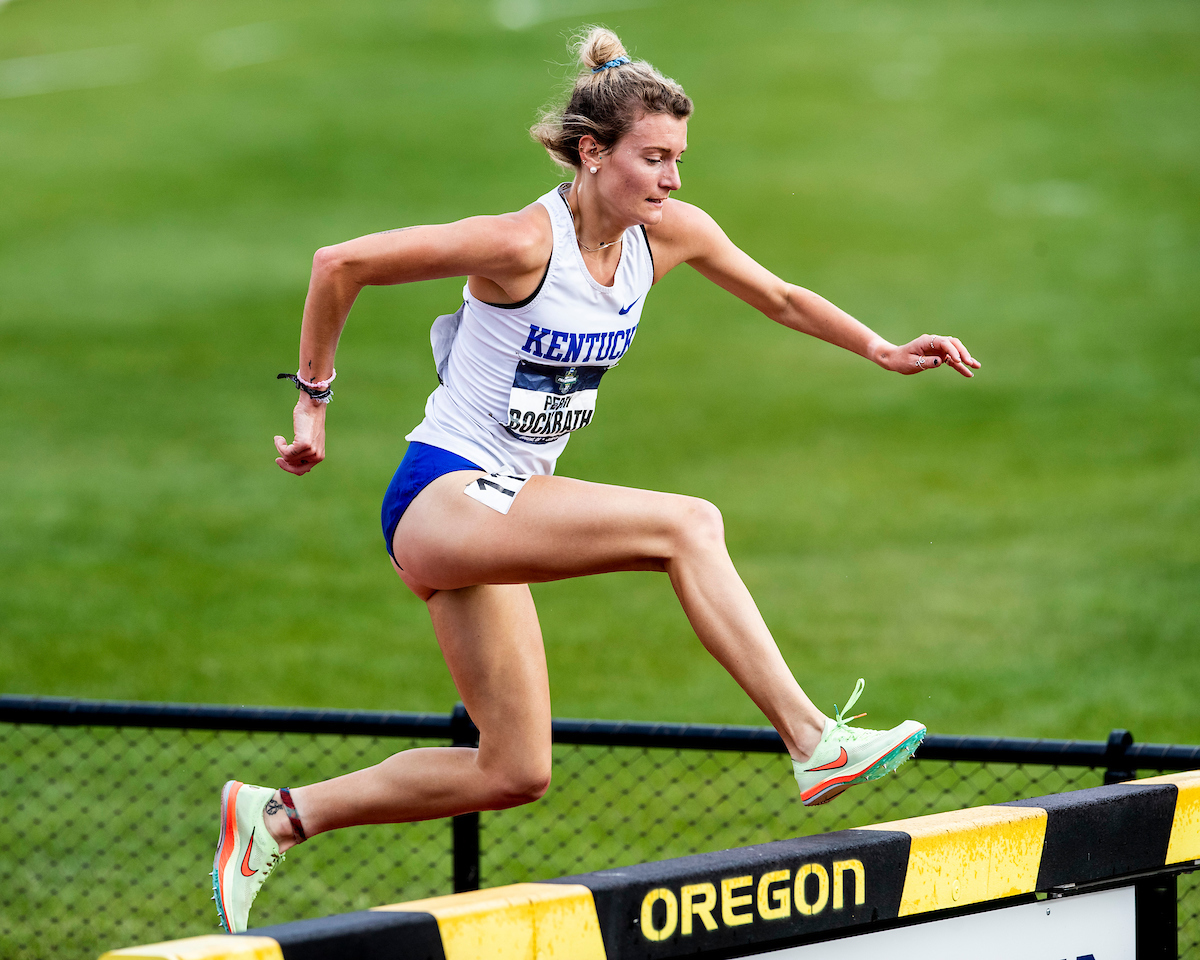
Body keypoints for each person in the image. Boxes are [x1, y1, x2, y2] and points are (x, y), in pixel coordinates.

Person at [211, 26, 981, 933]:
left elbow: (778, 297)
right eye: (654, 159)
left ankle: (279, 816)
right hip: (442, 496)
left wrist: (881, 349)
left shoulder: (670, 236)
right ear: (592, 152)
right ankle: (814, 743)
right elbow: (339, 263)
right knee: (687, 524)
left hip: (505, 503)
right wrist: (314, 403)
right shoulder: (518, 245)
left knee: (514, 770)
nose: (673, 180)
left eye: (678, 160)